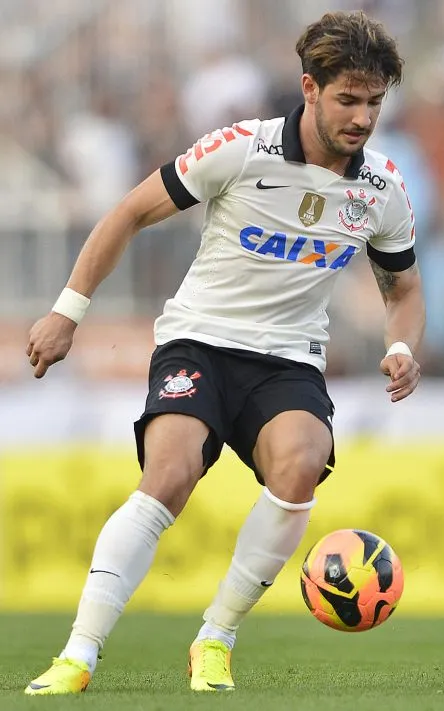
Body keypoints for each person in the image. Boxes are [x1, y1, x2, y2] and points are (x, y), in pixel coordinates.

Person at [23, 10, 423, 695]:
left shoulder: (382, 189)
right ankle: (78, 655)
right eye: (348, 99)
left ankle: (216, 637)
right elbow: (128, 213)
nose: (362, 117)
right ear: (309, 88)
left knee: (302, 463)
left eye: (374, 103)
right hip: (201, 341)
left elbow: (404, 289)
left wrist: (401, 345)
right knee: (170, 473)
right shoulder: (240, 149)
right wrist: (68, 310)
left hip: (289, 360)